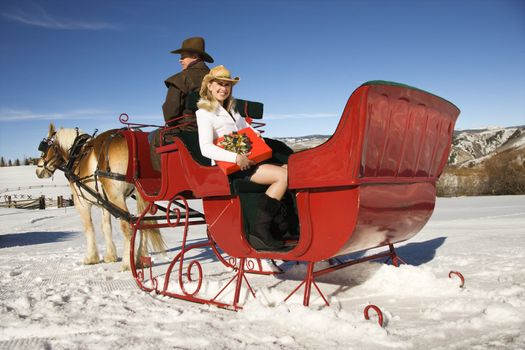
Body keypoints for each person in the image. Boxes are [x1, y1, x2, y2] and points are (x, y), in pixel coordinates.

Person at [196, 65, 288, 251]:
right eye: (220, 84)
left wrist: (258, 138)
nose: (224, 89)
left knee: (288, 168)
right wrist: (236, 157)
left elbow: (248, 130)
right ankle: (259, 230)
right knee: (282, 176)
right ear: (210, 86)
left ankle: (282, 225)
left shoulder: (232, 109)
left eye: (227, 85)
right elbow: (205, 148)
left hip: (250, 161)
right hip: (232, 167)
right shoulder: (204, 113)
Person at [162, 36, 214, 129]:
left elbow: (170, 115)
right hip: (214, 128)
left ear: (195, 57)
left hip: (188, 130)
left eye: (183, 57)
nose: (180, 60)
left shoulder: (180, 78)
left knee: (151, 137)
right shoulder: (217, 79)